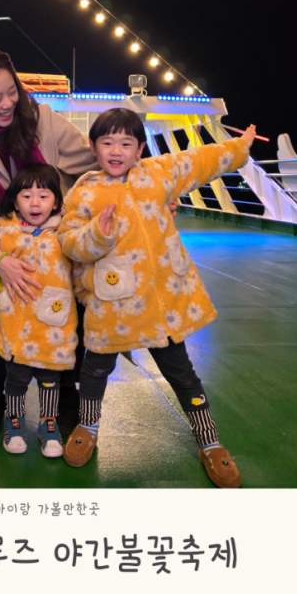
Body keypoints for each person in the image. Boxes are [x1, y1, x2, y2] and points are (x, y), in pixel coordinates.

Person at [58, 108, 256, 488]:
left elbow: (200, 160)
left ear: (139, 149)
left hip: (161, 302)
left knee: (182, 373)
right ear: (93, 147)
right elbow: (68, 242)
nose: (116, 151)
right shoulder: (84, 191)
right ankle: (88, 426)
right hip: (112, 306)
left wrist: (239, 146)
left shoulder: (159, 172)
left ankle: (209, 440)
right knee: (94, 370)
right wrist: (97, 234)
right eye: (107, 142)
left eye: (126, 143)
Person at [0, 46, 98, 440]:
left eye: (11, 91)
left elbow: (94, 164)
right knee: (8, 305)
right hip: (7, 239)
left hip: (57, 238)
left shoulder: (43, 120)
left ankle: (66, 392)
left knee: (68, 311)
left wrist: (146, 190)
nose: (7, 103)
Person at [0, 164, 76, 458]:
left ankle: (49, 423)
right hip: (14, 324)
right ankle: (13, 422)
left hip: (55, 326)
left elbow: (83, 267)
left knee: (51, 379)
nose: (35, 203)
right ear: (15, 202)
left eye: (44, 196)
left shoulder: (66, 233)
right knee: (15, 378)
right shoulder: (4, 233)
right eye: (27, 196)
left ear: (57, 202)